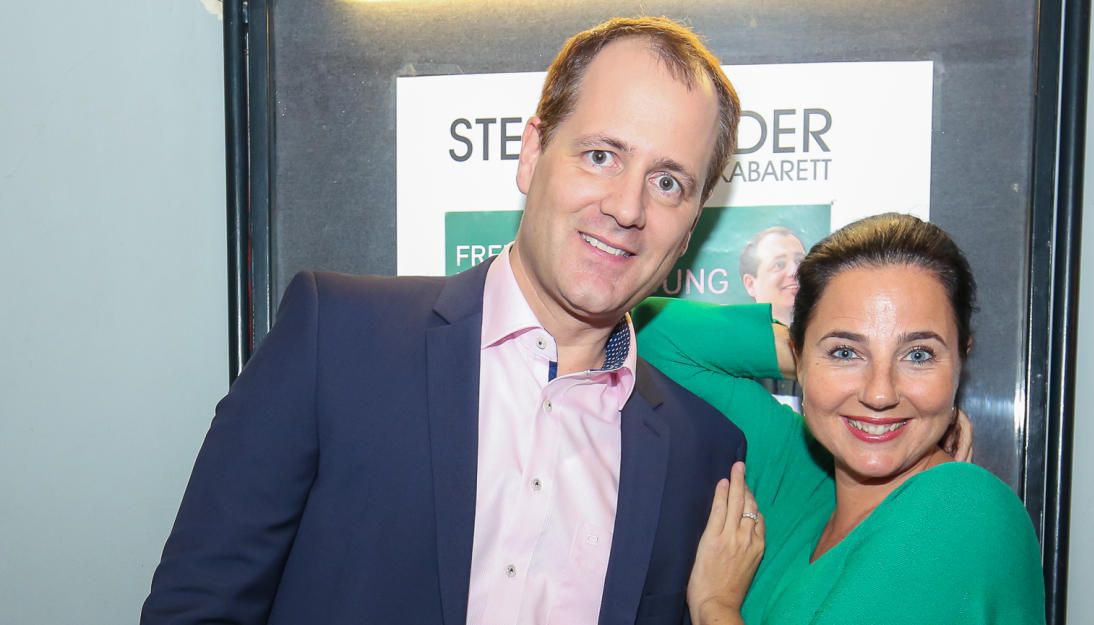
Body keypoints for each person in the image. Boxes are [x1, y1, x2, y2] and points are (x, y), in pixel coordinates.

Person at [141, 17, 747, 625]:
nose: (627, 207)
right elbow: (197, 607)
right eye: (601, 156)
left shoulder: (703, 457)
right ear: (532, 153)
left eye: (667, 183)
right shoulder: (338, 340)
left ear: (690, 225)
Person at [635, 213, 1046, 625]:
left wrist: (714, 606)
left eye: (919, 355)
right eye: (845, 352)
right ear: (798, 355)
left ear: (960, 361)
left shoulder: (962, 507)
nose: (880, 393)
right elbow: (651, 335)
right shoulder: (803, 475)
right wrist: (814, 368)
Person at [738, 226, 806, 325]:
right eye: (779, 265)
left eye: (800, 261)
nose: (795, 270)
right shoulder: (736, 334)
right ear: (751, 284)